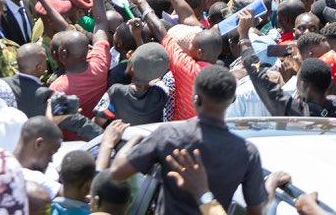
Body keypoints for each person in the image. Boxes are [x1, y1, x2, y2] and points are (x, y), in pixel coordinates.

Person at [109, 66, 267, 214]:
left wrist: (133, 139)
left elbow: (117, 173)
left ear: (196, 99)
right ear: (232, 101)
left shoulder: (167, 135)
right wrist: (271, 186)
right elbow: (256, 211)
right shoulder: (247, 152)